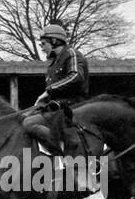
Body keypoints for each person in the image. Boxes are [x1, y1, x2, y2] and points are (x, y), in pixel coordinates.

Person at [22, 24, 90, 153]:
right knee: (21, 117)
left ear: (54, 41)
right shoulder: (53, 63)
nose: (42, 47)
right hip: (56, 107)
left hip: (71, 108)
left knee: (28, 123)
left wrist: (48, 91)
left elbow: (76, 76)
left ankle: (64, 147)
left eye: (43, 44)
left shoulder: (72, 54)